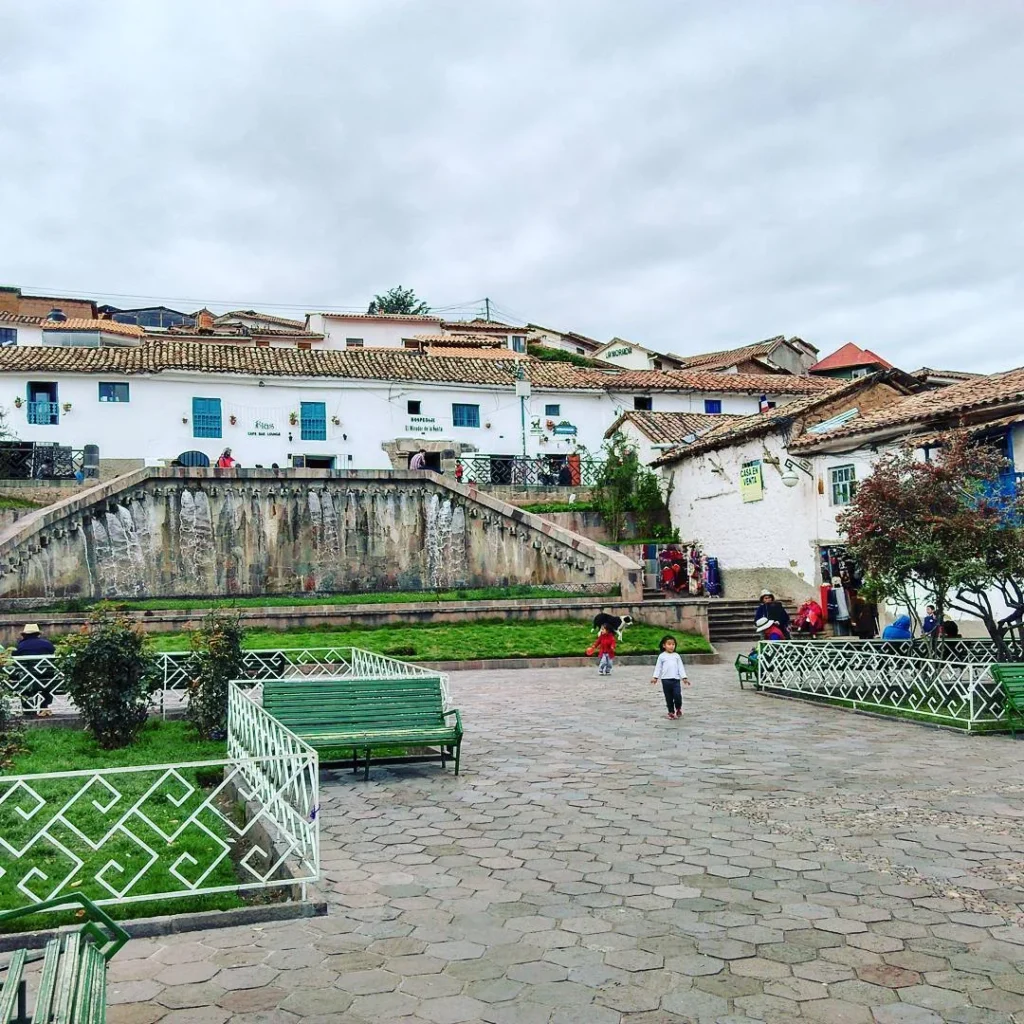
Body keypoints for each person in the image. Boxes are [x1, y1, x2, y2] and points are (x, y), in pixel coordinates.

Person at [12, 623, 57, 716]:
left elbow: (14, 661)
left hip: (27, 679)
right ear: (38, 634)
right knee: (48, 682)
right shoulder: (48, 644)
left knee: (24, 681)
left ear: (24, 635)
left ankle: (28, 709)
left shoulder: (20, 646)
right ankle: (43, 706)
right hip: (46, 677)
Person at [650, 635, 690, 720]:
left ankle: (678, 708)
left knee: (677, 695)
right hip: (666, 680)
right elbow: (658, 667)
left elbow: (680, 667)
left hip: (676, 680)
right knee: (669, 697)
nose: (671, 646)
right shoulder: (662, 656)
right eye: (669, 644)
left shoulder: (676, 656)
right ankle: (671, 712)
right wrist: (655, 677)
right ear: (664, 645)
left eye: (673, 644)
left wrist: (684, 677)